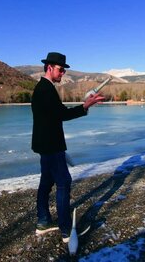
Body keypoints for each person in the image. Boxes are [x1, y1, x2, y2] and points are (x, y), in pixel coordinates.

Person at [31, 52, 104, 242]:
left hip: (44, 145)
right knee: (64, 182)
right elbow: (62, 114)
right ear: (49, 67)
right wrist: (85, 106)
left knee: (46, 183)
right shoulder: (46, 89)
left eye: (64, 70)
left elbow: (53, 116)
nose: (62, 73)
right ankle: (65, 229)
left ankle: (43, 222)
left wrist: (84, 106)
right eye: (60, 69)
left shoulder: (43, 88)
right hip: (52, 146)